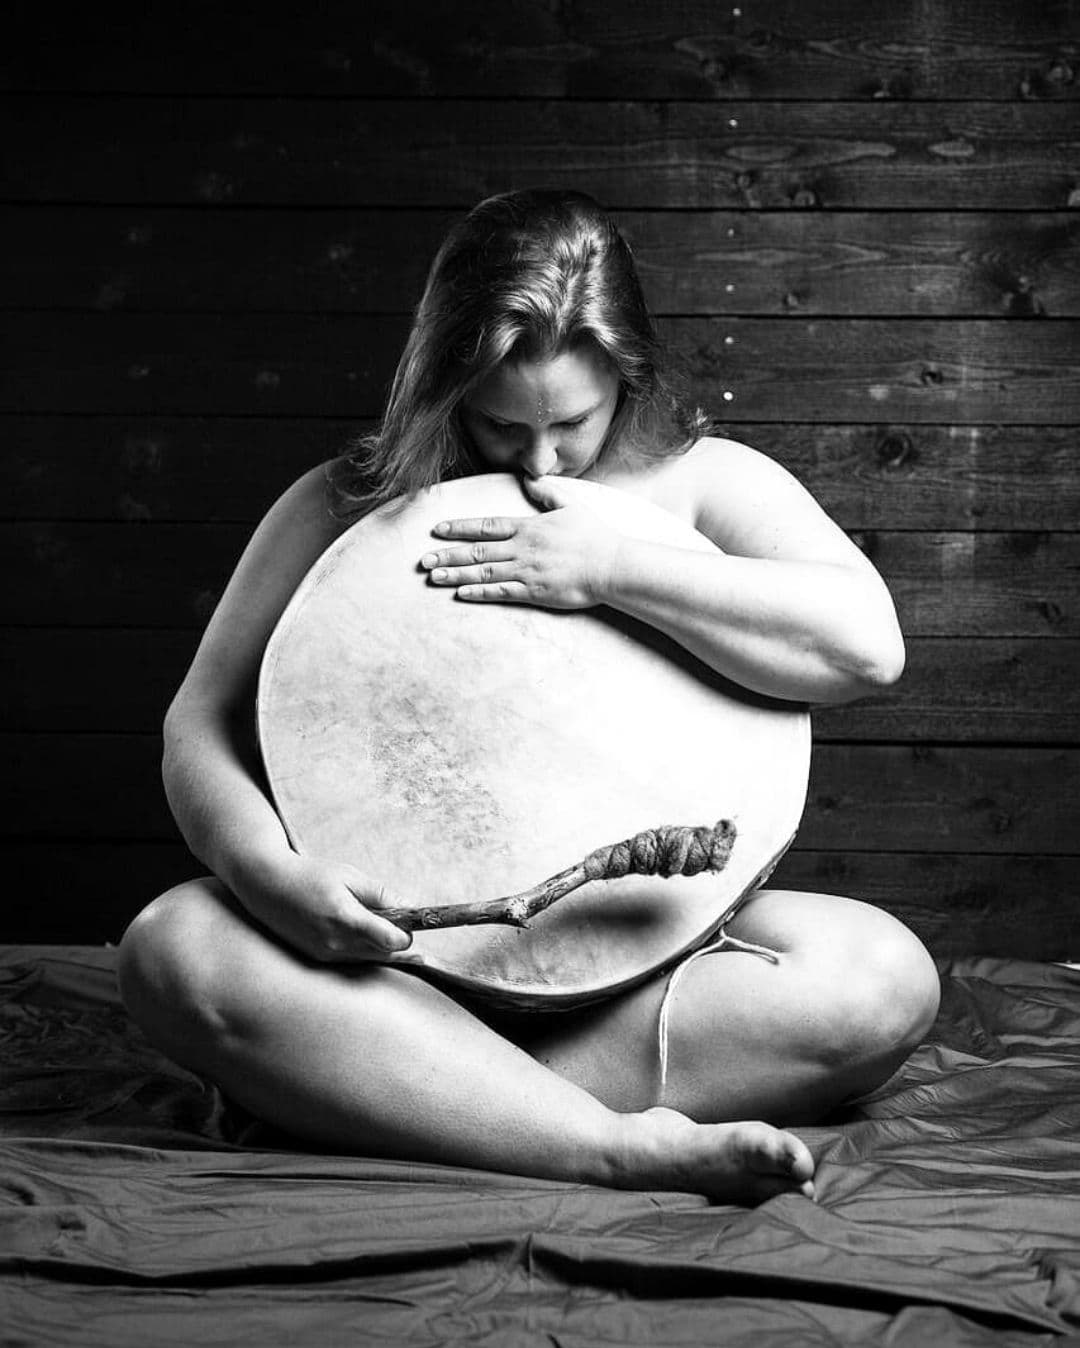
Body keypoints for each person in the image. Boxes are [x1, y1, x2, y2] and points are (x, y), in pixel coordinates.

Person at [118, 189, 940, 1206]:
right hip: (384, 972)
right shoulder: (343, 502)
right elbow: (196, 724)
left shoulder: (704, 484)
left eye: (573, 423)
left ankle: (390, 1090)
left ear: (626, 377)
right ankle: (605, 1145)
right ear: (444, 386)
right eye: (502, 424)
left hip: (642, 982)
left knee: (880, 976)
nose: (540, 459)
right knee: (173, 948)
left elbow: (866, 649)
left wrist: (612, 567)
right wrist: (262, 868)